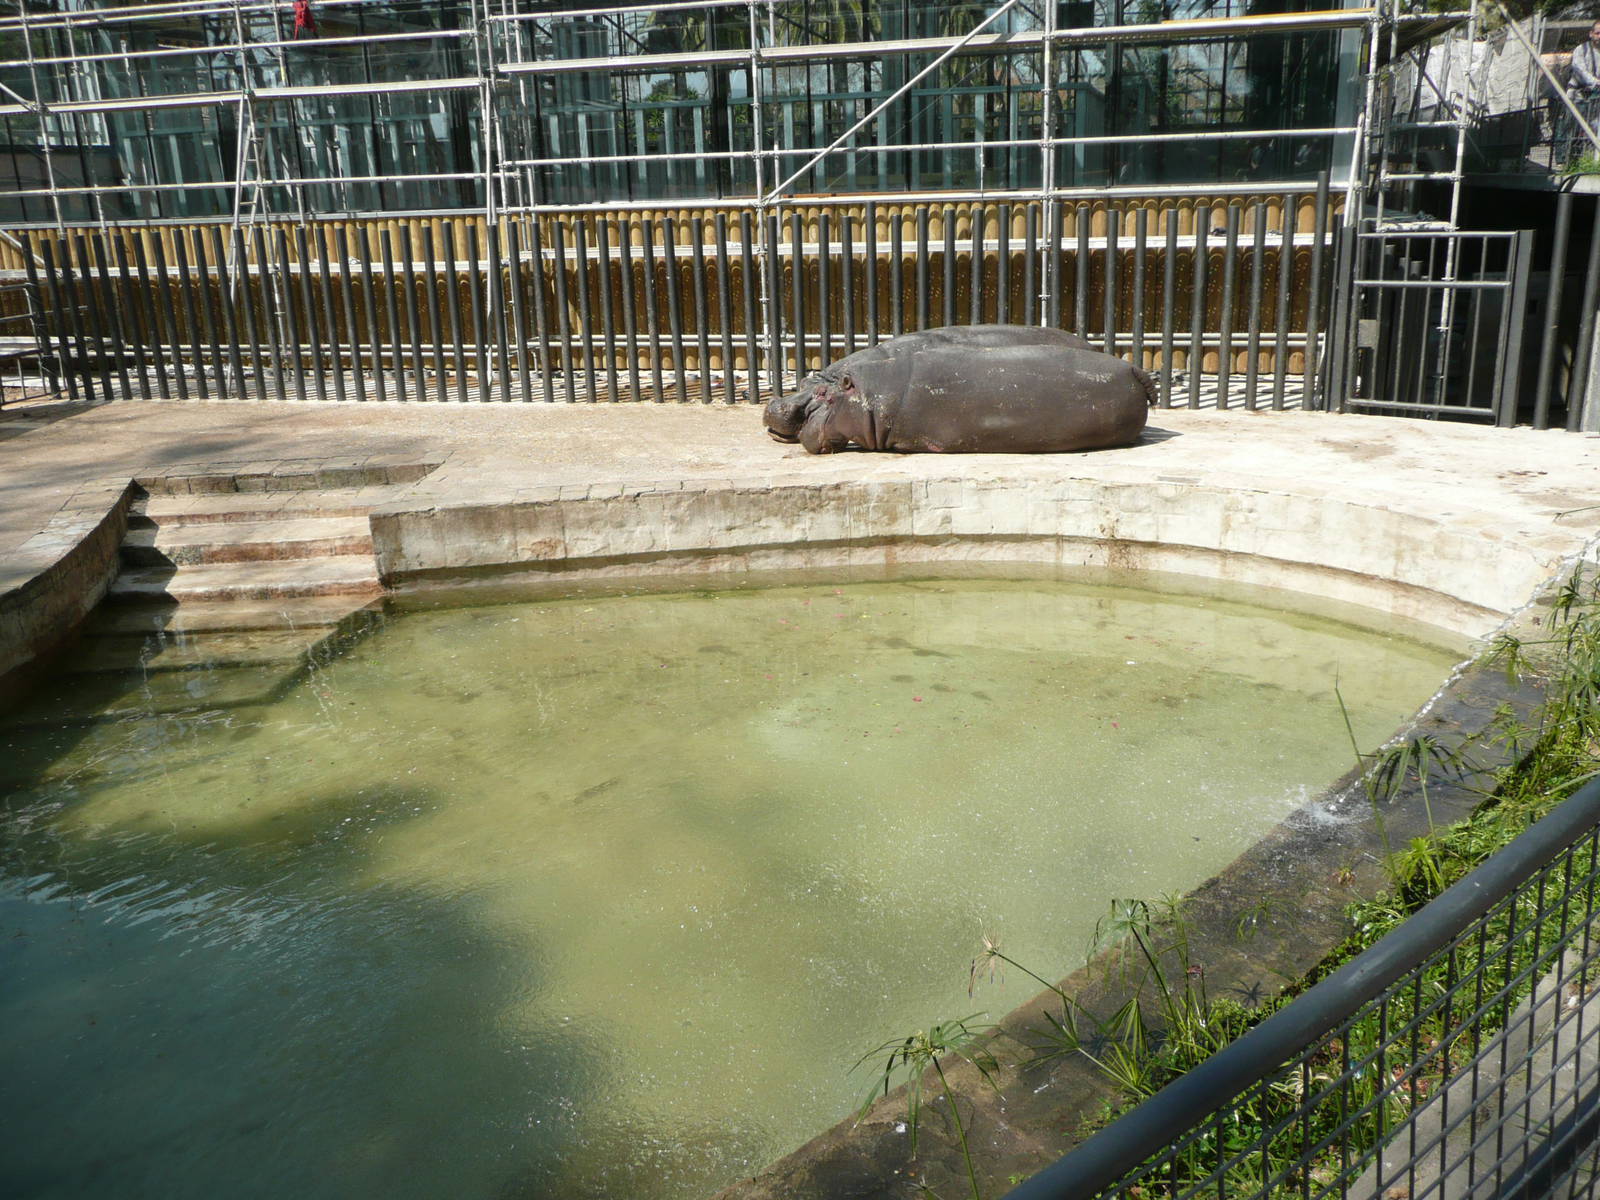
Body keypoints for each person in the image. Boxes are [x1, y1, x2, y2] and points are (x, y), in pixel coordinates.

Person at [1571, 20, 1600, 94]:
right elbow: (1581, 72)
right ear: (1591, 34)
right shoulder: (1581, 50)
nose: (1599, 36)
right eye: (1597, 33)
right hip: (1578, 91)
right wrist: (1596, 82)